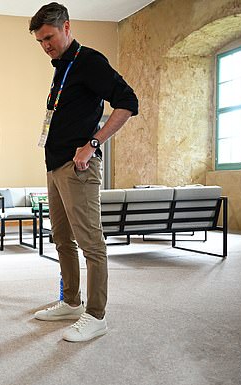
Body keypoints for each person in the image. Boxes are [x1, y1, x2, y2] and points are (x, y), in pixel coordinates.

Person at [29, 3, 139, 341]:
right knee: (61, 238)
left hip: (78, 166)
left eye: (48, 37)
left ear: (66, 27)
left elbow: (128, 101)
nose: (45, 45)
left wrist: (92, 143)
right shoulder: (61, 66)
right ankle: (72, 302)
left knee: (91, 243)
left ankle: (96, 315)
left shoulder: (89, 61)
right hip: (55, 164)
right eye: (40, 41)